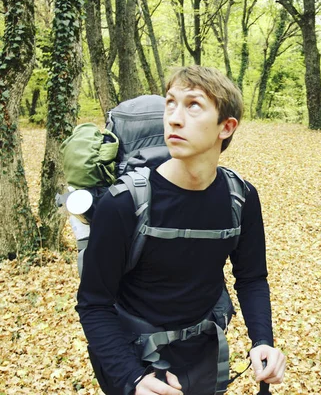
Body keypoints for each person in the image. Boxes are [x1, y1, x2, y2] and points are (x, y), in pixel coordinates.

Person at [76, 66, 286, 395]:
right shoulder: (124, 204)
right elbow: (94, 303)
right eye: (170, 103)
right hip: (132, 357)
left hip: (203, 354)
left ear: (226, 127)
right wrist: (131, 378)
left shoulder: (241, 198)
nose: (174, 118)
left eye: (193, 105)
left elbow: (251, 277)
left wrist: (263, 341)